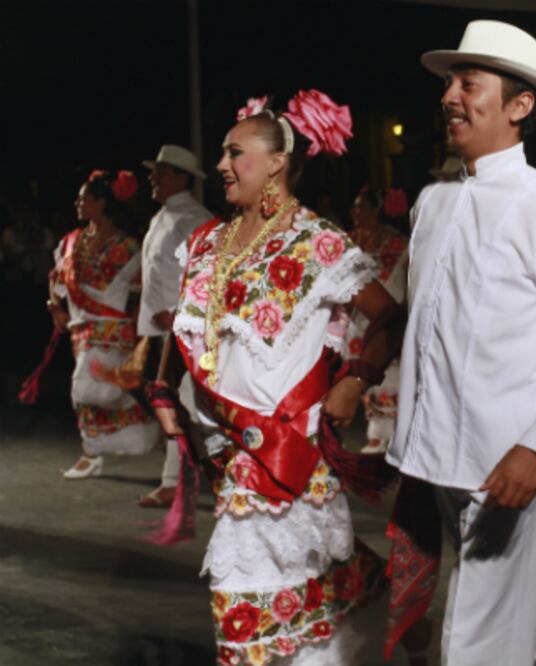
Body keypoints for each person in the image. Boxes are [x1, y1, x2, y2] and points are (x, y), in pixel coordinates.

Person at [386, 20, 536, 666]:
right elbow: (426, 326)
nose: (449, 97)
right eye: (448, 84)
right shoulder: (432, 204)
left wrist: (534, 449)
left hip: (506, 463)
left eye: (469, 83)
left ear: (519, 106)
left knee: (477, 637)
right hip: (433, 455)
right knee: (525, 615)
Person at [162, 91, 416, 665]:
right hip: (228, 454)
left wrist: (356, 377)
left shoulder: (317, 242)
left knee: (250, 608)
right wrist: (168, 394)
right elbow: (198, 344)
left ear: (277, 161)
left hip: (284, 455)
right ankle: (386, 606)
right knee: (307, 597)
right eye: (223, 154)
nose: (222, 165)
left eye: (235, 153)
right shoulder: (205, 243)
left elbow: (388, 315)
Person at [48, 170, 161, 478]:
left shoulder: (128, 247)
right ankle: (101, 449)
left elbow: (143, 291)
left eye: (83, 198)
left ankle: (101, 447)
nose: (77, 203)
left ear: (100, 202)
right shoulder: (71, 242)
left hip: (112, 329)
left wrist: (142, 327)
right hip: (80, 328)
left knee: (83, 389)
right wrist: (54, 306)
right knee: (90, 395)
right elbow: (56, 280)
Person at [135, 144, 213, 507]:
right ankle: (186, 477)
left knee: (182, 401)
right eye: (155, 172)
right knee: (176, 401)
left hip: (184, 326)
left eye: (161, 172)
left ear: (182, 178)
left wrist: (179, 313)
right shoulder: (163, 216)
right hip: (161, 328)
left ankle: (181, 480)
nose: (153, 178)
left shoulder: (195, 218)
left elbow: (203, 276)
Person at [345, 186, 409, 453]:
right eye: (355, 207)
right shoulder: (348, 240)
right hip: (356, 320)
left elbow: (400, 280)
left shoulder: (396, 244)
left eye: (362, 207)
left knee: (391, 375)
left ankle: (392, 433)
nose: (356, 213)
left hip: (386, 314)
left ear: (376, 210)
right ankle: (376, 430)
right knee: (365, 374)